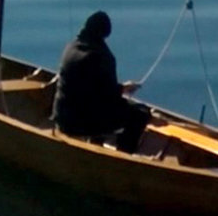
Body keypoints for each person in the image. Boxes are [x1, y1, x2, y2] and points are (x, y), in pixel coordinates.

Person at [52, 10, 149, 152]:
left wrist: (121, 88)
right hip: (79, 122)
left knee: (94, 104)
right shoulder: (102, 56)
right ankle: (123, 156)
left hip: (61, 116)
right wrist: (123, 89)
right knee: (140, 114)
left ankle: (95, 141)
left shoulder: (70, 47)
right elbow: (109, 97)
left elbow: (91, 88)